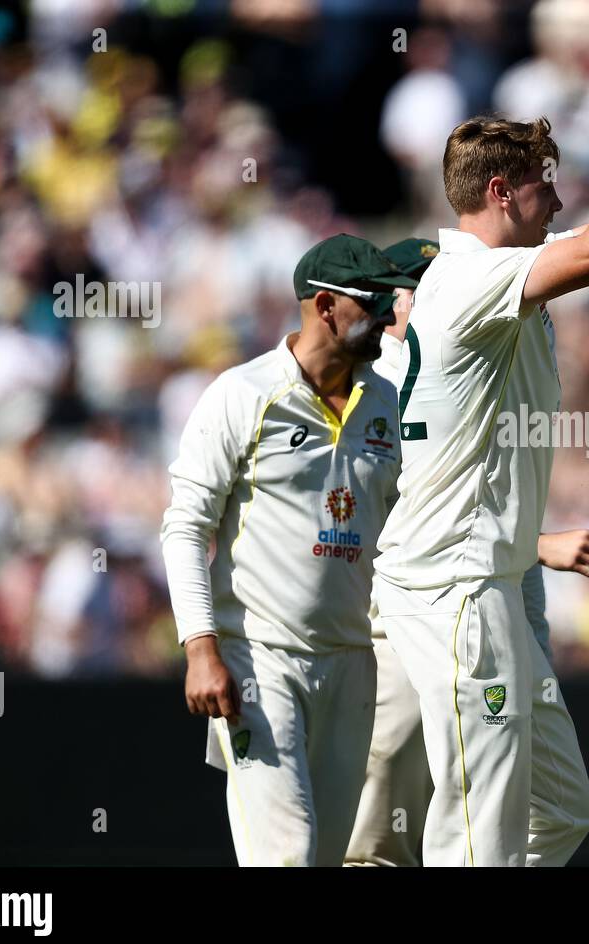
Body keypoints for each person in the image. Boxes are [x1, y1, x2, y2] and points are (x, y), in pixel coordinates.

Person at [370, 37, 589, 865]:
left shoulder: (494, 274)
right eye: (545, 183)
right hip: (458, 588)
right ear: (501, 191)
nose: (559, 198)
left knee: (558, 812)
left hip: (493, 580)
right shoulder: (467, 277)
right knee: (479, 834)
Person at [345, 237, 589, 866]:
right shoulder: (378, 382)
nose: (441, 290)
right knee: (379, 838)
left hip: (487, 593)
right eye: (424, 283)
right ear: (395, 298)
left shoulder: (476, 356)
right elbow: (394, 512)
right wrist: (542, 544)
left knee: (544, 810)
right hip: (405, 615)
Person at [161, 234, 416, 866]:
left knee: (325, 859)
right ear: (325, 306)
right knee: (287, 854)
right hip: (258, 660)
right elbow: (186, 526)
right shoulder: (243, 394)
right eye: (372, 304)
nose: (388, 317)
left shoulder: (385, 401)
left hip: (353, 663)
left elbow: (412, 525)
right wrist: (200, 649)